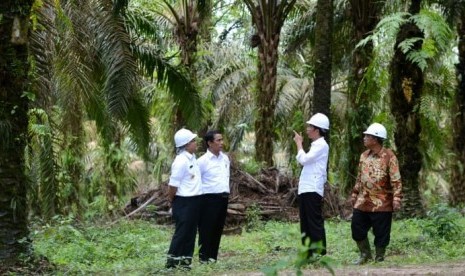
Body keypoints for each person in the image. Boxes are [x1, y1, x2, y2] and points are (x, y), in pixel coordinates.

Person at [351, 123, 402, 264]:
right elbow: (359, 176)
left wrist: (396, 198)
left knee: (381, 232)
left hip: (382, 201)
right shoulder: (363, 156)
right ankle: (365, 255)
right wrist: (355, 193)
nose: (364, 138)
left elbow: (396, 179)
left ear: (376, 139)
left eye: (367, 136)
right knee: (357, 227)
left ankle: (379, 257)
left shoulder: (389, 156)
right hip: (363, 200)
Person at [293, 113, 330, 258]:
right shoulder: (317, 145)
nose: (307, 129)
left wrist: (299, 143)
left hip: (312, 188)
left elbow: (304, 159)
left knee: (313, 221)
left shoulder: (321, 145)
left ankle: (319, 251)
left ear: (317, 129)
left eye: (310, 127)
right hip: (307, 188)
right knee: (306, 221)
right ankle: (308, 252)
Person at [166, 128, 202, 269]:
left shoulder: (192, 158)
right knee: (181, 232)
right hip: (184, 201)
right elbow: (173, 185)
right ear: (186, 144)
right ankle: (172, 263)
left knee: (191, 232)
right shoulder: (180, 161)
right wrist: (171, 200)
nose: (195, 143)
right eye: (193, 141)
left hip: (194, 200)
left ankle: (186, 262)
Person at [197, 130, 230, 263]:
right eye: (218, 140)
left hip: (223, 198)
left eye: (222, 140)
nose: (221, 143)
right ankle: (203, 258)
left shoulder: (225, 158)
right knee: (206, 229)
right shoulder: (202, 161)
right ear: (209, 143)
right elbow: (196, 181)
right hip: (208, 199)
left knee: (217, 228)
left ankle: (213, 258)